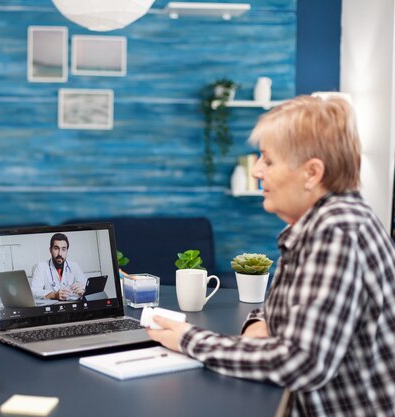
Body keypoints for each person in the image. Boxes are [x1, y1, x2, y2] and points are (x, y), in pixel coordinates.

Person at [147, 95, 395, 416]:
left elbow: (302, 361)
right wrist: (259, 322)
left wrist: (189, 339)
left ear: (312, 173)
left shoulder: (335, 234)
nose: (257, 172)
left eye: (267, 160)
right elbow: (296, 305)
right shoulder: (325, 223)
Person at [30, 233, 87, 300]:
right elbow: (33, 292)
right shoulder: (41, 266)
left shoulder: (74, 266)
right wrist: (54, 295)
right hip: (52, 308)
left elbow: (85, 285)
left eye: (63, 249)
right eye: (56, 248)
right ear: (50, 250)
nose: (60, 253)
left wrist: (83, 291)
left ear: (67, 251)